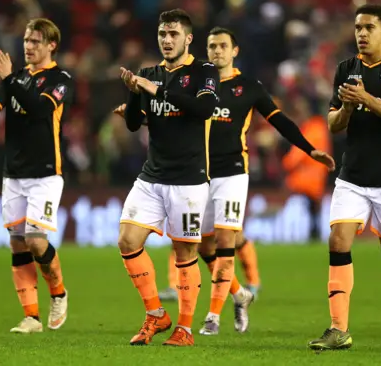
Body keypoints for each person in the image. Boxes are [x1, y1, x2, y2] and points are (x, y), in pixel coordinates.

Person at [115, 27, 335, 336]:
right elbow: (175, 117)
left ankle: (212, 318)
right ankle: (240, 294)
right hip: (200, 174)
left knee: (225, 241)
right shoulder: (195, 85)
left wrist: (309, 149)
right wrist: (139, 112)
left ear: (235, 51)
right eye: (211, 46)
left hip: (233, 173)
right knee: (204, 248)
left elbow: (279, 120)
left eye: (222, 46)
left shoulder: (248, 87)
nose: (216, 51)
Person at [307, 4, 381, 351]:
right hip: (352, 174)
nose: (361, 33)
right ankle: (338, 329)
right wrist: (348, 108)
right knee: (337, 242)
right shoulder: (345, 68)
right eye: (358, 27)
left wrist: (367, 99)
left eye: (369, 27)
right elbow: (333, 124)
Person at [117, 9, 219, 347]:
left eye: (173, 34)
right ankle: (156, 314)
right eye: (162, 33)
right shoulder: (148, 73)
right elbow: (134, 123)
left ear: (188, 38)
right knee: (128, 241)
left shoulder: (204, 71)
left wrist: (153, 89)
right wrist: (134, 92)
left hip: (189, 179)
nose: (167, 39)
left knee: (184, 252)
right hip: (152, 175)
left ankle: (185, 329)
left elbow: (203, 109)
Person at [0, 18, 73, 334]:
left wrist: (8, 78)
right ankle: (31, 317)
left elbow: (40, 110)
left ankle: (58, 293)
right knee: (18, 244)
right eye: (27, 40)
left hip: (45, 174)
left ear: (51, 45)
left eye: (35, 42)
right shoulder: (15, 79)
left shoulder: (60, 78)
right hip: (13, 174)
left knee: (35, 240)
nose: (28, 46)